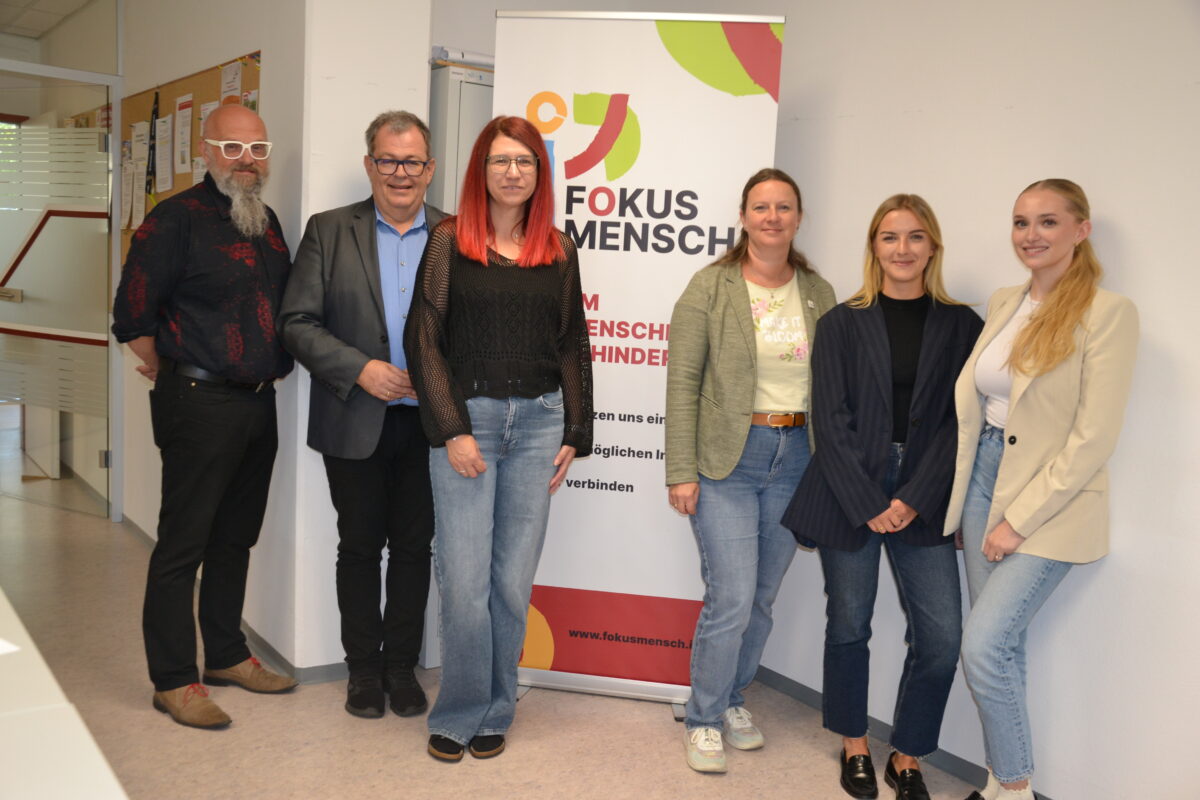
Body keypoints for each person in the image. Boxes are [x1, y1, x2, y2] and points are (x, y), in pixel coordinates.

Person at [781, 195, 983, 799]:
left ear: (933, 246)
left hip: (925, 491)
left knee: (941, 639)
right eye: (890, 237)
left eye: (916, 236)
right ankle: (854, 743)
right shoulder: (841, 323)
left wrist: (914, 498)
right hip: (851, 491)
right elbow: (829, 418)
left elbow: (960, 423)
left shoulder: (962, 326)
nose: (903, 249)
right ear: (874, 246)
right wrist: (869, 501)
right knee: (849, 624)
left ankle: (908, 755)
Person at [404, 115, 592, 762]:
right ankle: (458, 711)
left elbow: (571, 343)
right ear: (480, 170)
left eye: (525, 162)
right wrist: (451, 428)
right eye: (501, 160)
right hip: (471, 423)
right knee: (464, 582)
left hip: (539, 424)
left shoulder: (559, 248)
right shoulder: (449, 240)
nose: (513, 172)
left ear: (540, 173)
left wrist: (576, 428)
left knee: (512, 582)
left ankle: (497, 708)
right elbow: (424, 337)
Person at [946, 180, 1138, 800]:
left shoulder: (1107, 313)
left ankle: (1015, 789)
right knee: (1002, 649)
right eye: (1021, 222)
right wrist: (966, 503)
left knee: (982, 647)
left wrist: (1018, 520)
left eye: (1048, 222)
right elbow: (980, 409)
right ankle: (1002, 784)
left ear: (1081, 230)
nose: (1031, 235)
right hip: (984, 481)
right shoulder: (1006, 301)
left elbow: (1093, 438)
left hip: (1053, 499)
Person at [112, 104, 298, 729]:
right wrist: (171, 365)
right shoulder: (175, 219)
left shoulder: (266, 222)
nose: (247, 160)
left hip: (257, 402)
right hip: (198, 402)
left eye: (257, 148)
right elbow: (133, 314)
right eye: (232, 147)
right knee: (183, 545)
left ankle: (226, 655)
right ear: (205, 150)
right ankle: (173, 680)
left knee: (235, 538)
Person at [665, 168, 836, 773]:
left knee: (762, 598)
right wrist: (680, 470)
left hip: (796, 461)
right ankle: (704, 717)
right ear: (743, 216)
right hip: (726, 462)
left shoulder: (818, 292)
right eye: (761, 207)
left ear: (798, 217)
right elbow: (683, 381)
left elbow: (834, 386)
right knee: (732, 598)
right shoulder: (711, 286)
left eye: (783, 207)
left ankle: (733, 698)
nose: (772, 217)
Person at [279, 111, 445, 719]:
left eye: (412, 161)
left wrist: (440, 378)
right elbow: (296, 322)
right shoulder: (328, 230)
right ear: (369, 164)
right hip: (354, 417)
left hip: (430, 424)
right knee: (358, 548)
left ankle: (401, 668)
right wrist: (361, 370)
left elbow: (473, 331)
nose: (400, 173)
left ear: (430, 168)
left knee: (414, 550)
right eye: (388, 160)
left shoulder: (457, 235)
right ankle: (362, 672)